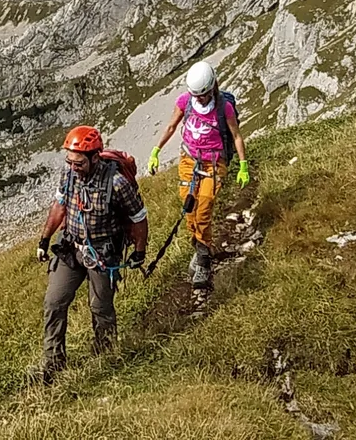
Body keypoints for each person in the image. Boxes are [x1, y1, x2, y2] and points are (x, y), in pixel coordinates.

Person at [34, 125, 147, 385]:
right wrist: (45, 238)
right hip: (71, 247)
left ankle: (106, 355)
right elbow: (59, 205)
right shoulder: (69, 174)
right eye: (70, 162)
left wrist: (139, 252)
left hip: (102, 253)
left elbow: (139, 218)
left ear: (95, 157)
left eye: (78, 162)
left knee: (100, 307)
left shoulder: (117, 183)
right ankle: (53, 363)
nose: (73, 167)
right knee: (54, 302)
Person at [148, 60, 248, 306]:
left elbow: (235, 135)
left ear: (212, 87)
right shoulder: (185, 102)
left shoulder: (224, 108)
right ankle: (201, 246)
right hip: (188, 160)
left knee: (204, 207)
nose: (200, 100)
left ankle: (203, 259)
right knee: (188, 208)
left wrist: (243, 165)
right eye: (197, 96)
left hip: (214, 163)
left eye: (203, 95)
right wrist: (156, 150)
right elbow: (172, 125)